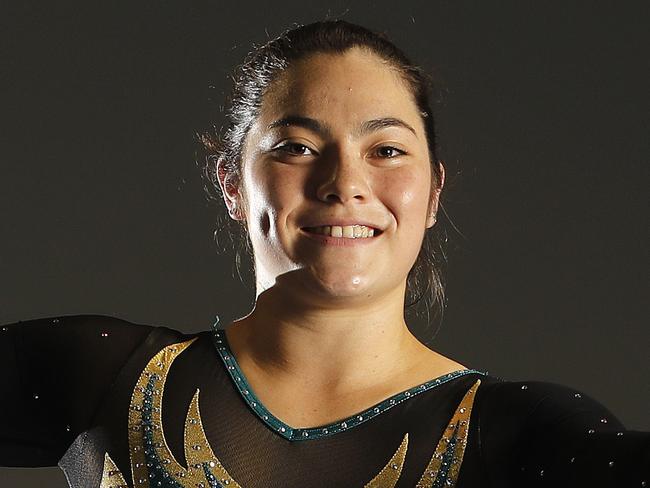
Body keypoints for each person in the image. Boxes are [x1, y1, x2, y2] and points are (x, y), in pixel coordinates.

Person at [0, 19, 648, 488]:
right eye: (297, 147)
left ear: (432, 194)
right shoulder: (108, 379)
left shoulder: (518, 434)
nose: (344, 183)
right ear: (232, 184)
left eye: (386, 150)